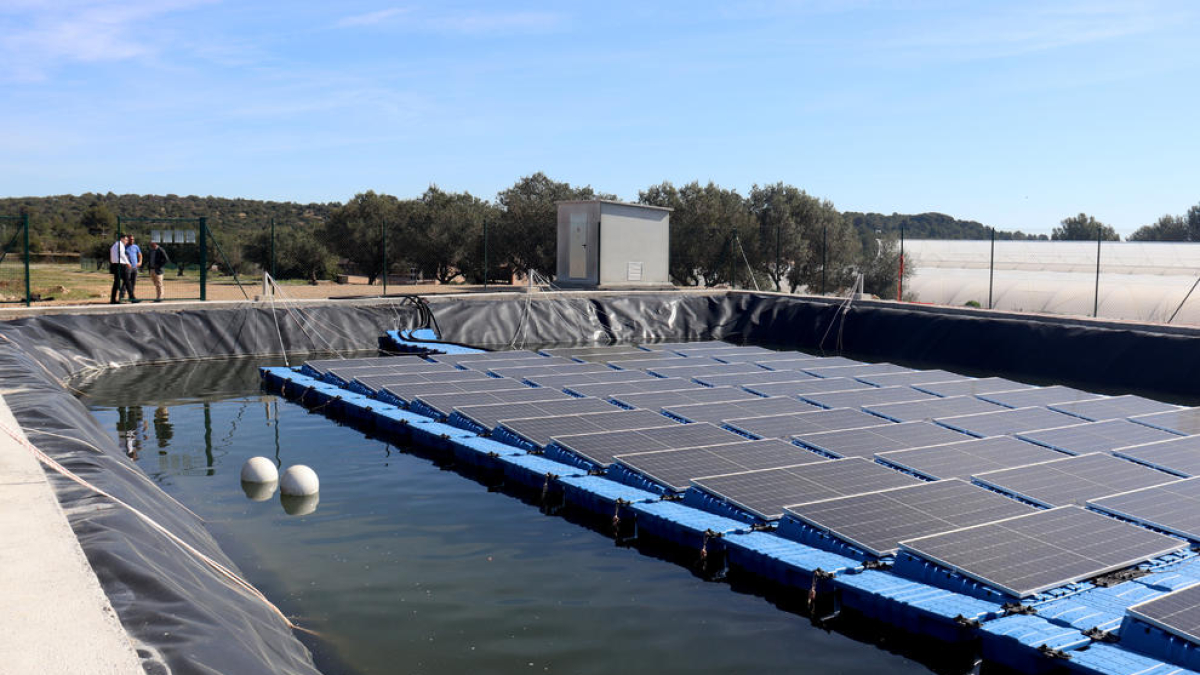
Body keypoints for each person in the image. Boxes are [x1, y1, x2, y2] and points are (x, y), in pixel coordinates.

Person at [109, 234, 131, 304]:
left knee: (116, 283)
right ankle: (132, 297)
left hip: (114, 265)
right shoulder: (121, 245)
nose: (127, 241)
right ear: (122, 239)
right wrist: (128, 262)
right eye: (126, 240)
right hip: (121, 265)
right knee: (127, 281)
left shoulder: (114, 245)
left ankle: (113, 299)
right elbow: (122, 254)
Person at [125, 235, 143, 302]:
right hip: (127, 267)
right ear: (127, 240)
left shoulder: (136, 247)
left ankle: (131, 297)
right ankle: (122, 296)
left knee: (133, 282)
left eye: (133, 239)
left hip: (135, 267)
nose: (132, 240)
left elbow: (140, 255)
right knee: (126, 282)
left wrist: (140, 262)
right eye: (130, 239)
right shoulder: (124, 247)